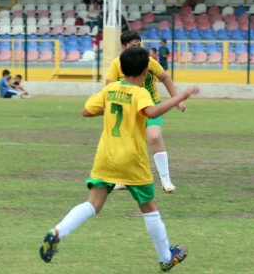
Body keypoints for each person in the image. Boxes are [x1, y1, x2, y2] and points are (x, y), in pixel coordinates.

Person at [39, 47, 198, 271]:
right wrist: (180, 96)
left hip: (106, 156)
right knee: (149, 207)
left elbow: (86, 111)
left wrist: (113, 107)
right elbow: (151, 113)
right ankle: (165, 257)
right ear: (145, 71)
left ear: (121, 69)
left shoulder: (110, 89)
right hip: (132, 159)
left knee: (92, 203)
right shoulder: (141, 93)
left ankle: (57, 232)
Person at [106, 31, 185, 194]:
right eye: (132, 46)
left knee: (155, 137)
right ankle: (124, 179)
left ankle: (166, 180)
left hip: (151, 106)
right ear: (123, 47)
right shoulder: (116, 64)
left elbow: (165, 78)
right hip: (129, 109)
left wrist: (176, 99)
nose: (136, 48)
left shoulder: (149, 62)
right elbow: (109, 88)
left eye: (138, 45)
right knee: (127, 144)